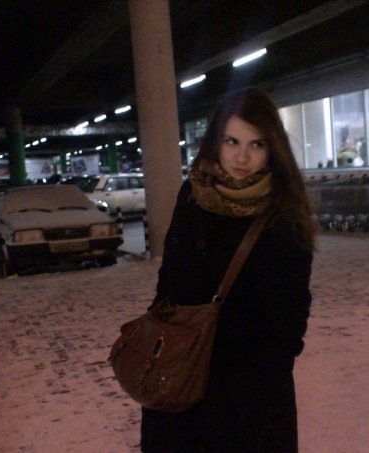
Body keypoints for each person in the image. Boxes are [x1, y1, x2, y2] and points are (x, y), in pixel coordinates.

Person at [141, 88, 316, 452]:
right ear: (215, 141)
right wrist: (160, 338)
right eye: (232, 141)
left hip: (250, 387)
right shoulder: (194, 195)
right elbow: (169, 277)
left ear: (272, 148)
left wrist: (272, 368)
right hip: (183, 372)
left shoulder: (283, 211)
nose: (242, 157)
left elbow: (292, 306)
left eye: (256, 145)